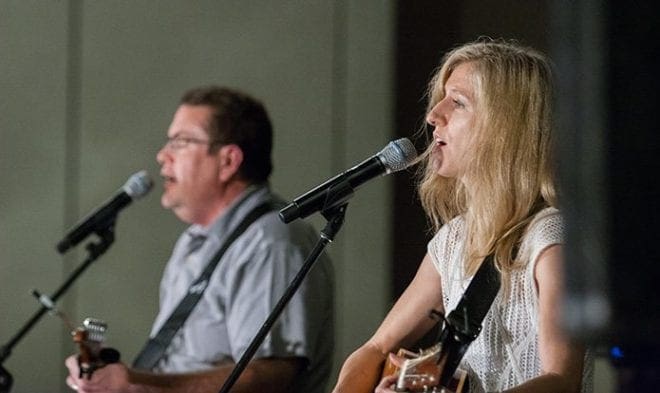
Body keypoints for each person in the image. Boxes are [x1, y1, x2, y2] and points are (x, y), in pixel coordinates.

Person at [331, 39, 593, 393]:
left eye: (457, 102)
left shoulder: (550, 242)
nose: (433, 115)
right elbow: (377, 349)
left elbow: (562, 381)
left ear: (505, 127)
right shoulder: (454, 240)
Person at [65, 86, 334, 393]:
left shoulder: (271, 241)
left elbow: (271, 376)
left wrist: (138, 386)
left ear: (228, 161)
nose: (162, 155)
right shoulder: (194, 241)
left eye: (181, 142)